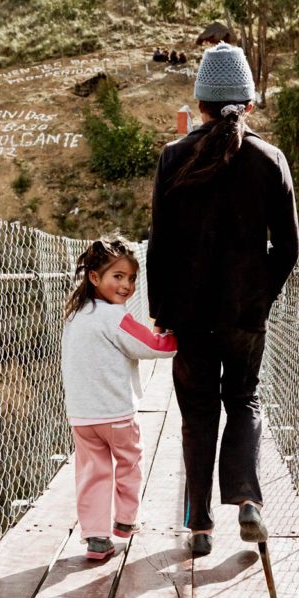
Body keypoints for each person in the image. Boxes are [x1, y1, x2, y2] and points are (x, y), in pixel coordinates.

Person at [147, 42, 299, 558]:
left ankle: (199, 525)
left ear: (200, 105)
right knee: (243, 399)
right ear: (249, 104)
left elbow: (159, 244)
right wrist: (258, 296)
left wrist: (160, 311)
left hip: (189, 314)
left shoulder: (173, 158)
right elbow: (289, 247)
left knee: (197, 413)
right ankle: (248, 500)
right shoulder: (269, 160)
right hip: (242, 314)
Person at [61, 236, 178, 560]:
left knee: (93, 472)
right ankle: (125, 521)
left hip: (82, 416)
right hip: (116, 414)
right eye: (118, 277)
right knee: (129, 463)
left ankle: (96, 537)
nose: (126, 285)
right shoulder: (116, 317)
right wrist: (175, 336)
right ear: (94, 278)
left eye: (130, 278)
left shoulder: (75, 315)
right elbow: (153, 346)